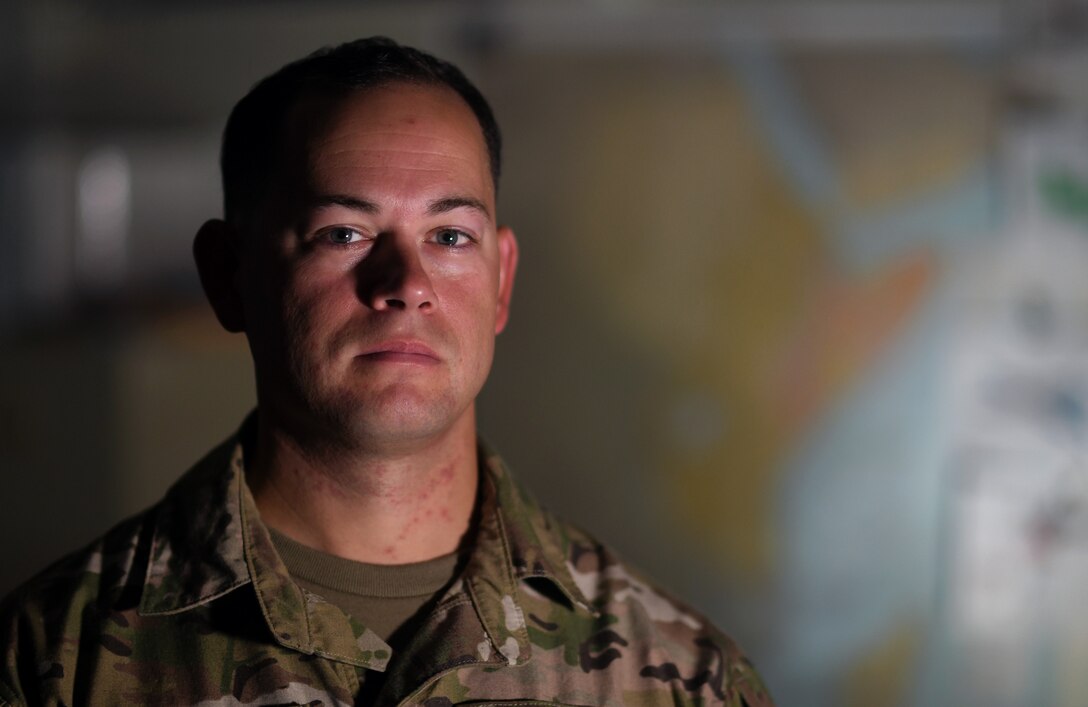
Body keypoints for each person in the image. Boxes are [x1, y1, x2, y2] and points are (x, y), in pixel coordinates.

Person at [0, 37, 773, 706]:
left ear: (501, 281)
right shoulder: (53, 664)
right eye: (344, 231)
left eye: (450, 235)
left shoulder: (677, 677)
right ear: (229, 275)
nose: (406, 281)